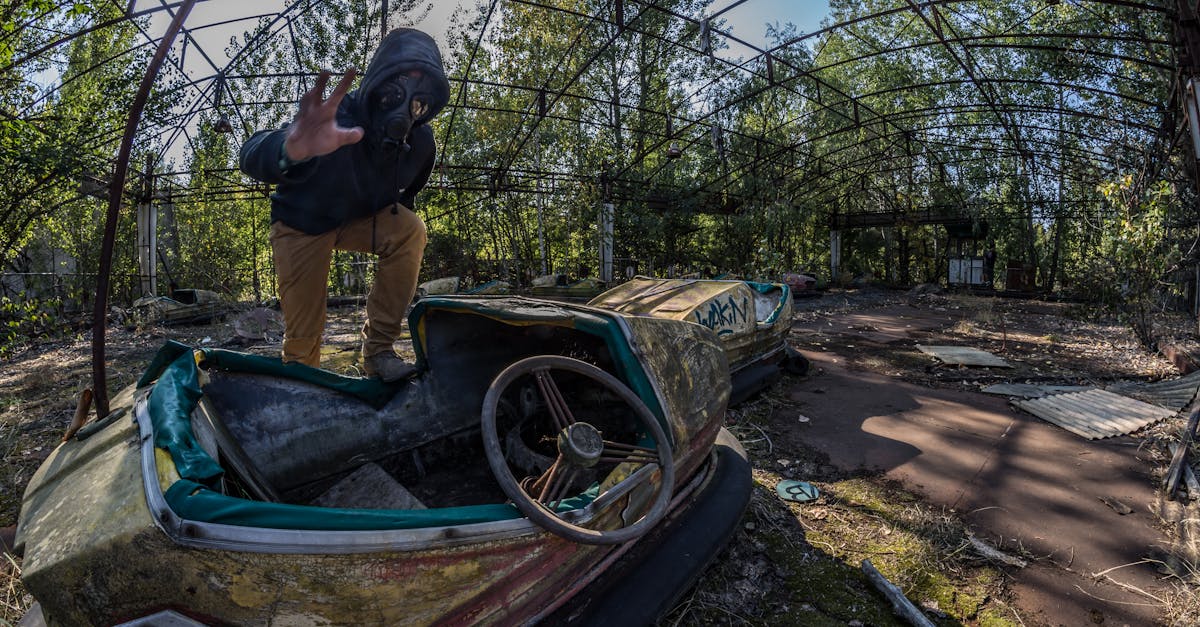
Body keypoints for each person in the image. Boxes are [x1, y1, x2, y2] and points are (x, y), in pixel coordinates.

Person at [240, 29, 450, 381]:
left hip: (360, 218)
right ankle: (303, 382)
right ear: (377, 83)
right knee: (303, 340)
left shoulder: (420, 145)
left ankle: (380, 352)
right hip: (302, 222)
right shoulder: (340, 117)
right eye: (395, 92)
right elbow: (250, 153)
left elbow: (405, 200)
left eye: (419, 101)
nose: (405, 108)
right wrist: (289, 149)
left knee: (410, 229)